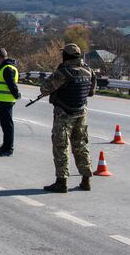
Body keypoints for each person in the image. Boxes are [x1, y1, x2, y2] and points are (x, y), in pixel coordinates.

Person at [41, 43, 96, 193]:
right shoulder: (88, 70)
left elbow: (45, 88)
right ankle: (86, 180)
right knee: (81, 145)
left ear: (66, 56)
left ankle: (61, 182)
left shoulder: (63, 72)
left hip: (64, 114)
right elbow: (91, 92)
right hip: (81, 113)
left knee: (61, 146)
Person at [0, 48, 21, 157]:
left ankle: (9, 148)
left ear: (0, 57)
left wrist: (16, 95)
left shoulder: (7, 68)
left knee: (7, 125)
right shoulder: (4, 67)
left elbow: (12, 84)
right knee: (4, 124)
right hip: (3, 100)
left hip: (6, 100)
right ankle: (5, 146)